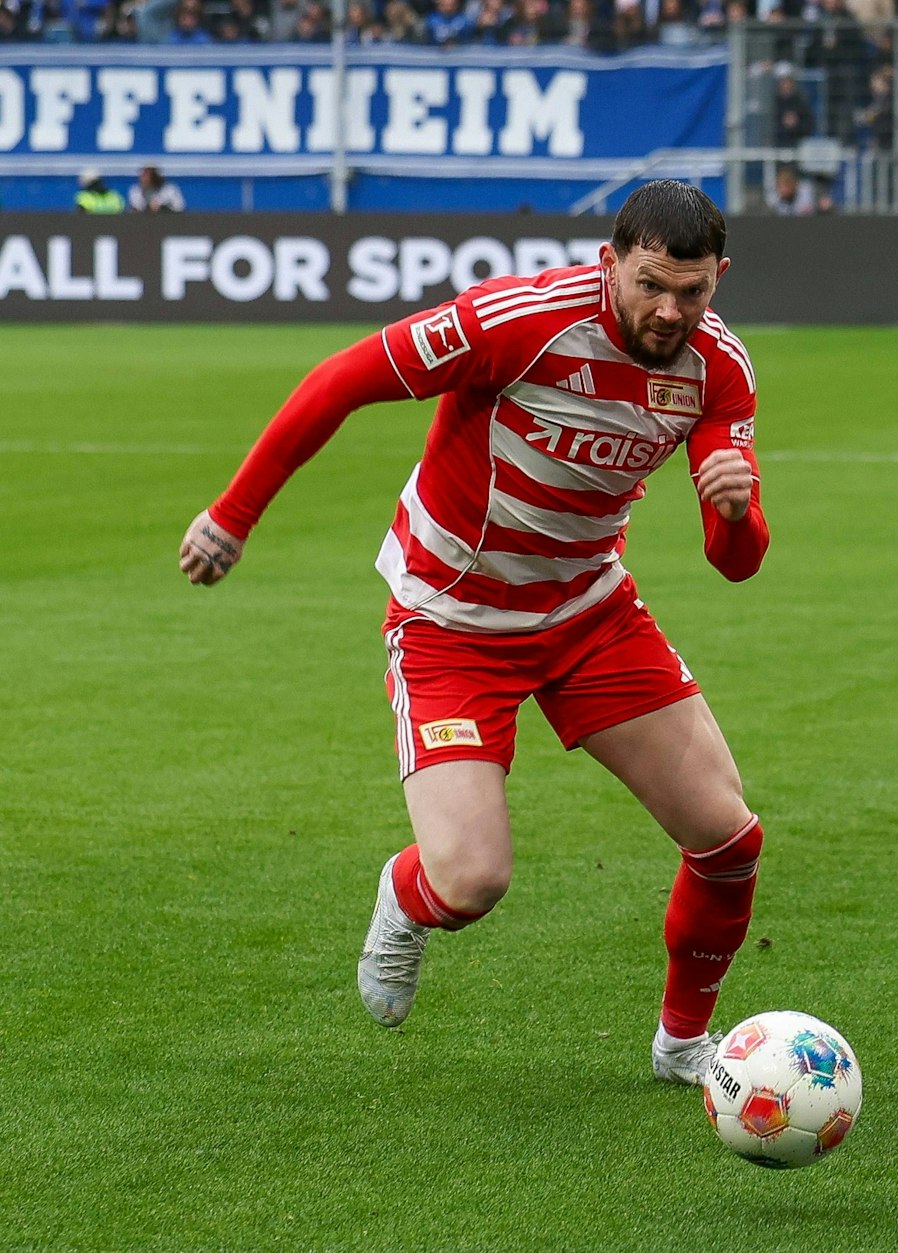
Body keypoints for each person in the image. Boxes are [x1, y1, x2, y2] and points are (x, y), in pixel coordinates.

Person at [176, 182, 771, 1088]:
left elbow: (738, 564)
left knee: (728, 841)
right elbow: (344, 379)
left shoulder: (717, 369)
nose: (670, 311)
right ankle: (405, 898)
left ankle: (682, 1044)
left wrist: (733, 513)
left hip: (588, 616)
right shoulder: (518, 321)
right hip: (450, 621)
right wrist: (233, 515)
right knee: (472, 880)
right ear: (610, 260)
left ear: (718, 278)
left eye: (693, 292)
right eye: (652, 284)